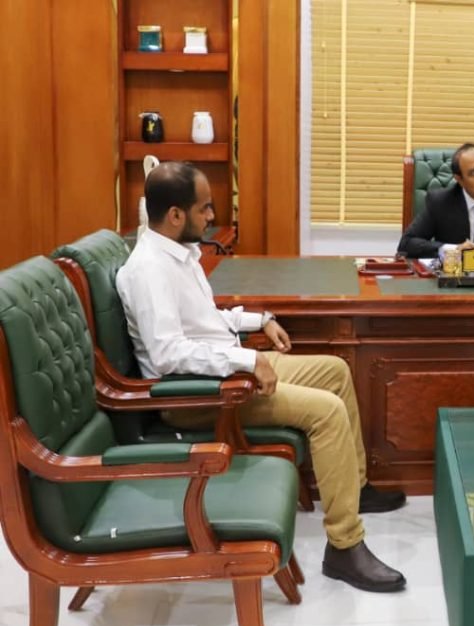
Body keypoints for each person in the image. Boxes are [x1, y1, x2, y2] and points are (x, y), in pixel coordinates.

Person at [117, 162, 408, 593]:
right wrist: (247, 361)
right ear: (175, 215)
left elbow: (203, 320)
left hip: (224, 371)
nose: (212, 216)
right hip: (200, 397)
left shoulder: (179, 254)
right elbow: (167, 355)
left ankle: (356, 488)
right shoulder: (148, 270)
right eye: (204, 208)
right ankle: (344, 545)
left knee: (335, 371)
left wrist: (260, 319)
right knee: (327, 412)